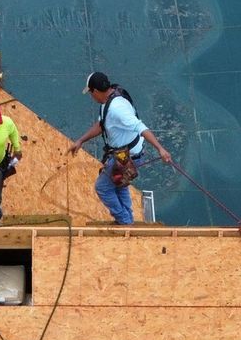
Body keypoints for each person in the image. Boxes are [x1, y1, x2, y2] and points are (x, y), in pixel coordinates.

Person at [66, 71, 172, 225]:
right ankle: (127, 219)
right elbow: (102, 124)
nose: (91, 96)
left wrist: (160, 149)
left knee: (102, 187)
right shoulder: (109, 100)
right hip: (123, 154)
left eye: (90, 93)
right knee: (120, 185)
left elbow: (140, 126)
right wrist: (81, 140)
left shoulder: (117, 109)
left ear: (95, 91)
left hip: (127, 157)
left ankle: (124, 221)